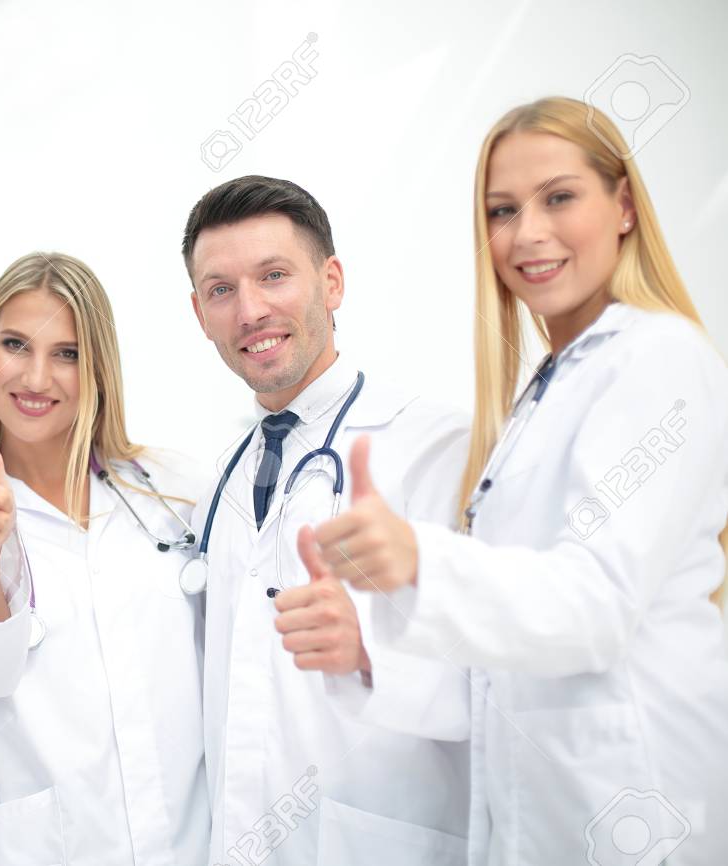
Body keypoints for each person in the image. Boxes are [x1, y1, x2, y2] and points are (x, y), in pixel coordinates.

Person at [306, 96, 728, 865]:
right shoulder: (543, 392)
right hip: (550, 818)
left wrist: (420, 561)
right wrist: (370, 649)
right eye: (502, 210)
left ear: (624, 206)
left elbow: (594, 604)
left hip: (638, 810)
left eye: (559, 198)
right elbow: (502, 659)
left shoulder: (659, 359)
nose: (527, 233)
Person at [183, 176, 473, 865]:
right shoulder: (220, 479)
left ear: (332, 281)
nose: (250, 310)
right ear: (200, 313)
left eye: (274, 276)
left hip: (382, 841)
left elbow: (509, 671)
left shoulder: (440, 449)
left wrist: (371, 649)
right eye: (221, 290)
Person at [0, 252, 210, 865]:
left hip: (192, 841)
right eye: (16, 344)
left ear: (97, 366)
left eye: (66, 353)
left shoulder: (177, 490)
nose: (37, 378)